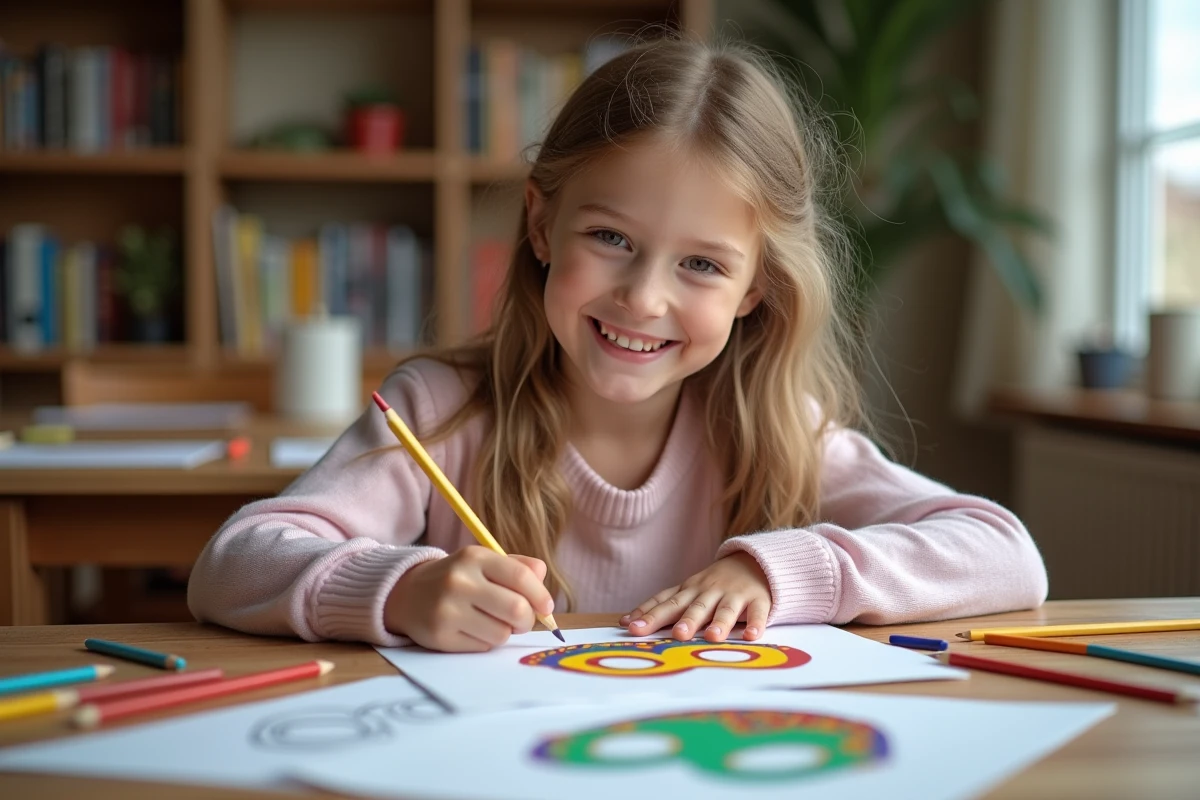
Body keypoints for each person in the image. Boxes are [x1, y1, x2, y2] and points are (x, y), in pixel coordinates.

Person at [188, 37, 1047, 653]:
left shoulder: (779, 426)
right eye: (611, 238)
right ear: (541, 224)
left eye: (703, 264)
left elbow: (1006, 554)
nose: (644, 297)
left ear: (755, 290)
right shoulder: (440, 410)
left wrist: (785, 572)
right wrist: (400, 589)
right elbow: (230, 565)